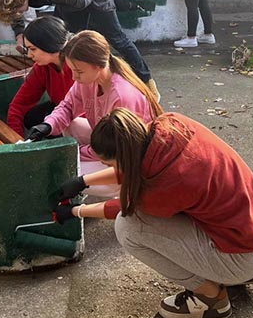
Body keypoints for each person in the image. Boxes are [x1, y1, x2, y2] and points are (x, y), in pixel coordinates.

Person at [50, 108, 253, 318]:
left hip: (242, 257)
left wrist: (74, 211)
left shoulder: (165, 183)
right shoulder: (171, 124)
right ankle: (237, 274)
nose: (105, 166)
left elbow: (124, 208)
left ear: (123, 159)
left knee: (128, 228)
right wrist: (82, 182)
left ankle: (211, 299)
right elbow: (137, 168)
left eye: (107, 163)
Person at [0, 0, 157, 95]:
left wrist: (70, 34)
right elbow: (14, 12)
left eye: (19, 11)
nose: (20, 15)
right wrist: (19, 34)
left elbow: (83, 1)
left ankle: (146, 80)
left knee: (114, 37)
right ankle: (72, 82)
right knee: (62, 39)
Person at [36, 30, 161, 197]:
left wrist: (73, 152)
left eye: (78, 72)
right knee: (70, 125)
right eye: (72, 70)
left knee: (64, 171)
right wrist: (48, 125)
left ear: (98, 65)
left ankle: (115, 189)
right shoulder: (89, 79)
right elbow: (67, 106)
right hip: (109, 143)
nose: (74, 77)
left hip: (127, 161)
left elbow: (116, 149)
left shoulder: (123, 96)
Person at [6, 16, 75, 136]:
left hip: (83, 120)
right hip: (61, 112)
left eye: (33, 49)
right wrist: (16, 141)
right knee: (31, 117)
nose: (29, 55)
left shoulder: (78, 67)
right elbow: (18, 105)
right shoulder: (42, 67)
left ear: (49, 45)